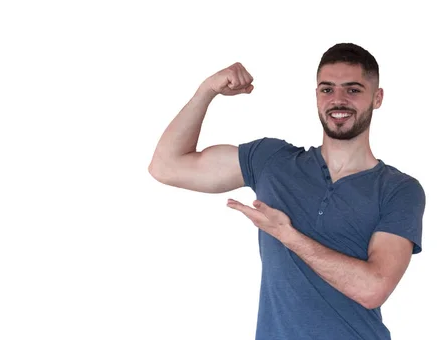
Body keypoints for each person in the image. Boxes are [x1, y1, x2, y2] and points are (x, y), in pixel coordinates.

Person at [148, 42, 426, 340]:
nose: (338, 100)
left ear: (377, 97)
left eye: (353, 90)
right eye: (327, 89)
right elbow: (166, 166)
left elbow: (372, 289)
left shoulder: (399, 190)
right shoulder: (273, 161)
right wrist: (207, 90)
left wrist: (288, 235)